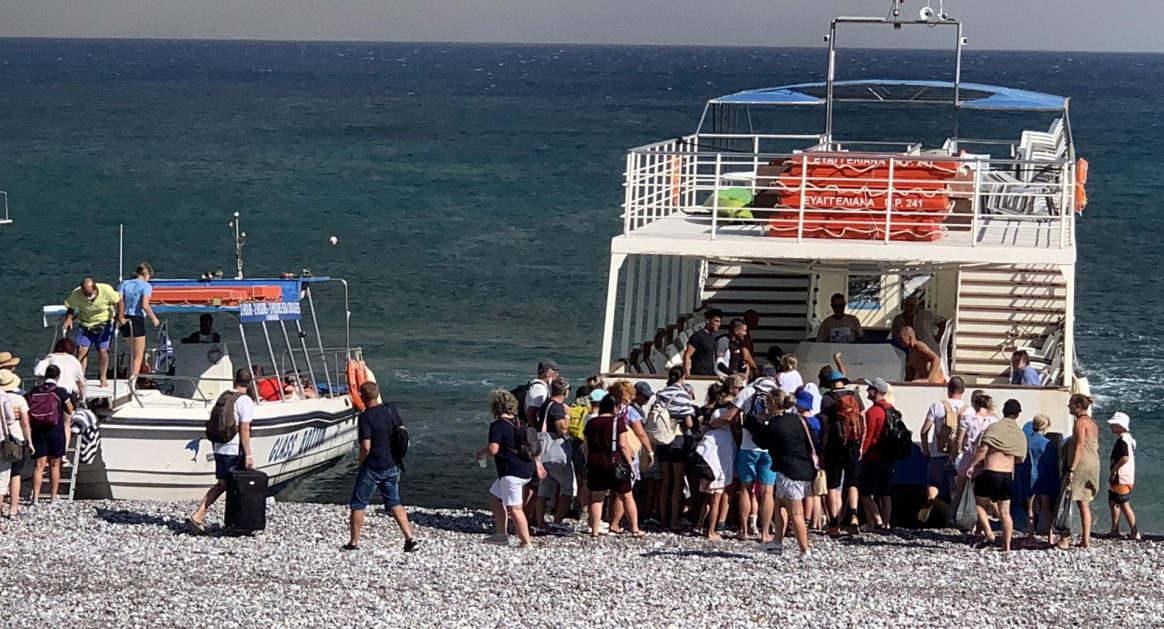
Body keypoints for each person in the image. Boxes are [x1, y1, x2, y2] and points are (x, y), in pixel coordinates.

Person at [344, 381, 417, 552]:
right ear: (377, 393)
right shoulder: (390, 410)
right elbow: (402, 432)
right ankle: (409, 538)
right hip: (392, 463)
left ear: (362, 397)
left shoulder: (365, 417)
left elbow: (366, 446)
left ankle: (354, 542)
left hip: (373, 466)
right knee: (395, 503)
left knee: (358, 504)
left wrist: (361, 462)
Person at [188, 368, 255, 532]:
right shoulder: (245, 401)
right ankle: (199, 514)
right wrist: (249, 454)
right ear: (250, 383)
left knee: (225, 484)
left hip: (219, 445)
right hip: (233, 449)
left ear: (234, 380)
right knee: (226, 485)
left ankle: (231, 520)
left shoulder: (225, 396)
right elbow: (244, 429)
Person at [750, 389, 816, 555]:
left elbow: (760, 441)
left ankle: (804, 549)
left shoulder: (775, 424)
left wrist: (759, 422)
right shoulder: (797, 419)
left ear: (772, 403)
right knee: (780, 504)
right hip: (804, 467)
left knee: (796, 512)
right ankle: (777, 542)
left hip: (789, 470)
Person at [478, 389, 543, 547]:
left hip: (511, 472)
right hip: (527, 468)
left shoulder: (497, 426)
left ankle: (526, 542)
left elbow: (493, 449)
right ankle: (501, 534)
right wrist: (538, 464)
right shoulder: (520, 422)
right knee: (495, 497)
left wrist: (481, 453)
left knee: (515, 509)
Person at [719, 372, 774, 543]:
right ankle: (765, 533)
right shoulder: (779, 392)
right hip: (770, 448)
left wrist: (712, 423)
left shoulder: (748, 391)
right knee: (767, 492)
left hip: (748, 446)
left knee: (746, 488)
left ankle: (743, 530)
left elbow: (730, 416)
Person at [966, 399, 1027, 551]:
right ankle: (1006, 546)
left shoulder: (994, 427)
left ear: (1003, 411)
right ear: (1018, 414)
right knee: (1005, 512)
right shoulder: (1019, 433)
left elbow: (983, 449)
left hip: (990, 472)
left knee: (979, 503)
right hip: (1007, 475)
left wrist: (973, 465)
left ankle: (989, 533)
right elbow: (1020, 459)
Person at [584, 393, 644, 538]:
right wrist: (630, 465)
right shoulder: (618, 422)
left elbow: (586, 445)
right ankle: (635, 529)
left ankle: (595, 531)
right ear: (614, 407)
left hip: (595, 460)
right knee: (627, 496)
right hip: (614, 461)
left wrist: (588, 461)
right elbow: (623, 446)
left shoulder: (591, 422)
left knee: (597, 498)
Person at [819, 371, 864, 534]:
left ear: (831, 383)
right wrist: (860, 445)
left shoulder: (827, 398)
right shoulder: (855, 396)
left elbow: (824, 426)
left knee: (833, 485)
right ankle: (853, 516)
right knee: (852, 482)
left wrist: (822, 450)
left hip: (834, 445)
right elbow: (861, 419)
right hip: (853, 444)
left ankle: (834, 523)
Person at [652, 369, 696, 533]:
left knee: (665, 481)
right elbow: (689, 422)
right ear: (683, 377)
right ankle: (675, 520)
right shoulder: (682, 394)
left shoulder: (661, 393)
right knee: (678, 483)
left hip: (662, 439)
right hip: (677, 438)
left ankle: (663, 518)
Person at [917, 376, 966, 524]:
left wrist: (926, 450)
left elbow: (924, 431)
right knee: (955, 487)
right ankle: (954, 517)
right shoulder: (968, 410)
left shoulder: (937, 406)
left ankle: (931, 499)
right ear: (963, 390)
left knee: (933, 483)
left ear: (948, 389)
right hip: (958, 456)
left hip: (937, 454)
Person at [606, 380, 652, 534]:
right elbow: (640, 432)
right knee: (624, 490)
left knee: (614, 491)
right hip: (627, 453)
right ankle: (616, 523)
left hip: (610, 451)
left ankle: (610, 518)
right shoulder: (629, 412)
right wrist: (650, 451)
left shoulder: (609, 409)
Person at [695, 381, 738, 540]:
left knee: (707, 497)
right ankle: (711, 531)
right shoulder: (725, 435)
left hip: (705, 463)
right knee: (715, 499)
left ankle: (699, 525)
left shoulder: (711, 430)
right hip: (716, 468)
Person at [533, 377, 576, 535]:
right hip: (556, 453)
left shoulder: (546, 404)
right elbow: (562, 430)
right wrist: (568, 415)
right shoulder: (558, 408)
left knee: (543, 489)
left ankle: (540, 523)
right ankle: (557, 522)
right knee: (568, 488)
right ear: (565, 391)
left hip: (543, 451)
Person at [28, 364, 74, 504]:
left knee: (39, 464)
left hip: (38, 430)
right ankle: (53, 497)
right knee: (55, 464)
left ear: (45, 376)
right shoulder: (60, 391)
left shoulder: (35, 390)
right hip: (55, 430)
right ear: (57, 377)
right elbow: (70, 409)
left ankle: (35, 498)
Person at [63, 277, 120, 387]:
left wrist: (120, 316)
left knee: (103, 350)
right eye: (85, 293)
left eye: (89, 293)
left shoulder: (106, 290)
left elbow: (118, 301)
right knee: (82, 350)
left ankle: (103, 376)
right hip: (86, 324)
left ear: (95, 289)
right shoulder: (77, 293)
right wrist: (69, 318)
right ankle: (81, 377)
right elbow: (71, 308)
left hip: (104, 323)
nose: (87, 296)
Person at [1059, 394, 1100, 549]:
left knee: (1075, 500)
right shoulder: (1092, 422)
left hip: (1082, 463)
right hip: (1094, 462)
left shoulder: (1080, 423)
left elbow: (1079, 446)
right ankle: (1085, 538)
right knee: (1085, 501)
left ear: (1077, 405)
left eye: (1070, 403)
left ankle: (1080, 539)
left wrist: (1071, 468)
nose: (1068, 406)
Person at [858, 377, 894, 530]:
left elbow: (869, 435)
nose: (867, 390)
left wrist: (862, 453)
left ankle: (876, 519)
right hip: (889, 456)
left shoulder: (873, 412)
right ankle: (885, 523)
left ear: (877, 391)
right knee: (885, 493)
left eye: (870, 388)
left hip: (874, 456)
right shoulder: (891, 409)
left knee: (865, 491)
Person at [118, 262, 160, 391]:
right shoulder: (146, 286)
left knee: (132, 352)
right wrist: (154, 318)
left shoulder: (124, 284)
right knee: (138, 355)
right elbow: (145, 305)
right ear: (146, 275)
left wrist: (120, 317)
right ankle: (132, 383)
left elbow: (119, 301)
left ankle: (128, 380)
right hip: (137, 319)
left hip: (124, 318)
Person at [953, 391, 997, 508]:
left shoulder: (967, 419)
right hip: (987, 459)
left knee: (960, 490)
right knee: (986, 495)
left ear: (976, 405)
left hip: (969, 456)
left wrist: (953, 455)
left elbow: (959, 440)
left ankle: (959, 515)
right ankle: (997, 517)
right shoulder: (994, 421)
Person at [1020, 414, 1057, 547]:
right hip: (1044, 477)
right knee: (1046, 507)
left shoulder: (1026, 441)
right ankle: (1050, 538)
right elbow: (1051, 463)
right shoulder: (1047, 443)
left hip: (1030, 477)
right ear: (1045, 427)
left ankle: (1030, 538)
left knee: (1030, 507)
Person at [0, 371, 32, 517]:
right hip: (15, 440)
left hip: (2, 438)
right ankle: (13, 508)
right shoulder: (19, 400)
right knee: (15, 473)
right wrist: (30, 441)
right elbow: (25, 424)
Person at [34, 338, 86, 423]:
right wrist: (82, 400)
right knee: (67, 423)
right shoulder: (74, 360)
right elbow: (81, 384)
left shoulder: (51, 357)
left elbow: (37, 372)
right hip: (70, 394)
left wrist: (47, 358)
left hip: (53, 393)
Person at [1106, 412, 1139, 540]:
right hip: (1121, 477)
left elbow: (1125, 457)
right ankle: (1114, 529)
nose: (1112, 426)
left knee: (1124, 504)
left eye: (1114, 424)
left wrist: (1114, 470)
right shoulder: (1127, 439)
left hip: (1121, 477)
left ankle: (1134, 531)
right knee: (1113, 501)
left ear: (1120, 426)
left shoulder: (1123, 441)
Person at [683, 308, 723, 377]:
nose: (718, 324)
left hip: (710, 373)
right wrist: (687, 374)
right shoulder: (698, 335)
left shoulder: (712, 338)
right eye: (716, 321)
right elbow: (687, 355)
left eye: (720, 322)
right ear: (708, 320)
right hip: (698, 374)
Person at [524, 360, 559, 424]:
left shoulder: (534, 385)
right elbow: (532, 412)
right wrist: (538, 429)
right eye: (555, 372)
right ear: (547, 373)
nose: (557, 374)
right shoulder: (540, 389)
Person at [740, 309, 761, 374]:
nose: (756, 323)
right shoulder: (744, 336)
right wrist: (755, 368)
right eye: (753, 321)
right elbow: (746, 356)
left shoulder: (747, 335)